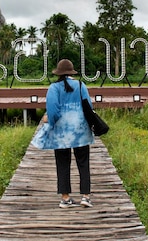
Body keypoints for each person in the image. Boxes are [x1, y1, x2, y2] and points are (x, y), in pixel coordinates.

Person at [31, 58, 95, 208]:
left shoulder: (54, 88)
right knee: (83, 164)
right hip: (81, 132)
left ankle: (65, 198)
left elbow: (53, 111)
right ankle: (86, 197)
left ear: (58, 73)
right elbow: (89, 107)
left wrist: (49, 122)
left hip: (61, 134)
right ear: (72, 72)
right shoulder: (80, 85)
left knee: (62, 164)